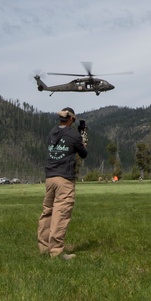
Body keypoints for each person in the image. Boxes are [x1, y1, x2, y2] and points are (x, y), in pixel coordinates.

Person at [37, 107, 88, 260]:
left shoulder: (52, 132)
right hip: (64, 178)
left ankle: (44, 248)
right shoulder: (73, 134)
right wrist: (83, 136)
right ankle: (56, 252)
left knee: (48, 211)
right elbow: (83, 154)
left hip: (50, 177)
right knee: (61, 213)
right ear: (71, 119)